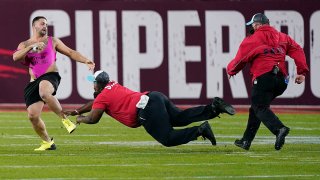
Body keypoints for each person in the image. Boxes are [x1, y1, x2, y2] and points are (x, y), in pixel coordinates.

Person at [64, 70, 236, 147]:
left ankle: (200, 130)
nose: (92, 85)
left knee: (167, 138)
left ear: (98, 84)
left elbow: (94, 118)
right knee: (179, 117)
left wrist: (80, 119)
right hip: (154, 96)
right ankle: (213, 108)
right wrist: (78, 110)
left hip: (145, 110)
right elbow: (96, 103)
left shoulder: (102, 96)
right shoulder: (111, 85)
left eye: (93, 82)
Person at [226, 13, 309, 150]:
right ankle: (246, 141)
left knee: (259, 107)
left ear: (257, 25)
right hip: (281, 81)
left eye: (253, 25)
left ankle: (279, 129)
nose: (252, 27)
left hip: (264, 77)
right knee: (257, 107)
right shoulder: (282, 37)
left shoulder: (253, 39)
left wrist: (231, 71)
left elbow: (241, 59)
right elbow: (298, 50)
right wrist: (301, 71)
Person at [12, 16, 95, 151]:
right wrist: (31, 47)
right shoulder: (25, 44)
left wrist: (85, 60)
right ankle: (48, 142)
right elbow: (15, 57)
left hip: (50, 76)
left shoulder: (52, 41)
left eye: (46, 24)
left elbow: (70, 52)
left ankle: (65, 119)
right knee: (33, 116)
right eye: (42, 24)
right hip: (33, 82)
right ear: (34, 26)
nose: (45, 26)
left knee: (44, 91)